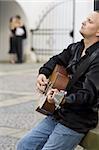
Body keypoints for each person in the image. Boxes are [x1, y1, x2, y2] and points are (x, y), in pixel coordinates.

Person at [16, 11, 99, 150]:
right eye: (85, 19)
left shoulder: (97, 59)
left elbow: (88, 95)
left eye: (90, 21)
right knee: (24, 145)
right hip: (58, 114)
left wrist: (61, 98)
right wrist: (43, 73)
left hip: (77, 120)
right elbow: (55, 60)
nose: (84, 22)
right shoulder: (76, 48)